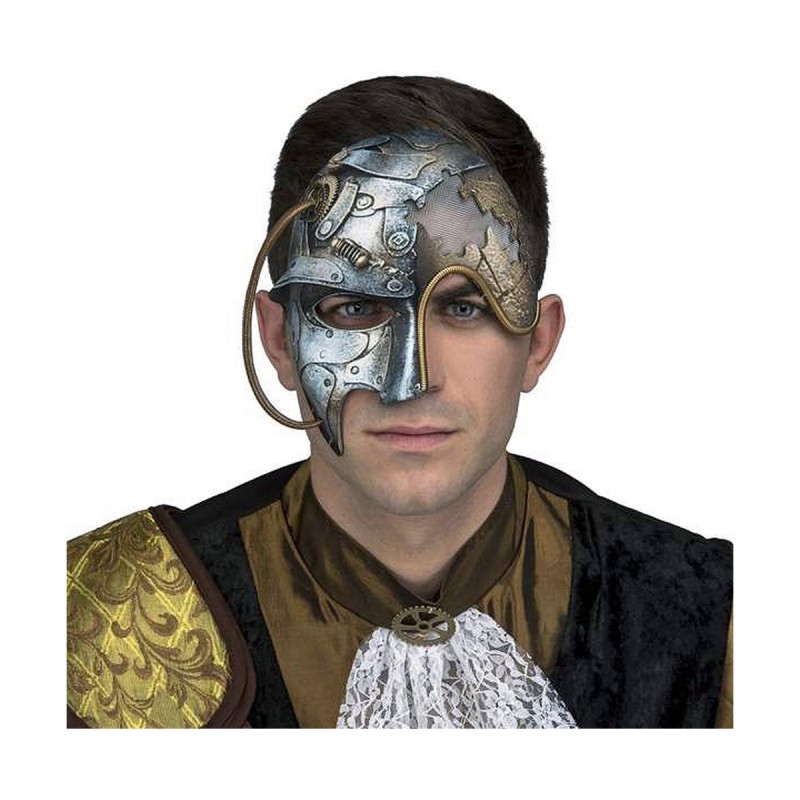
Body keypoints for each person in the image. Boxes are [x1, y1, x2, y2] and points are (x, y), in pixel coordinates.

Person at [66, 75, 732, 729]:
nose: (410, 381)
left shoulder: (718, 616)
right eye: (354, 308)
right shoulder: (92, 619)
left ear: (538, 342)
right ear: (278, 339)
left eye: (465, 308)